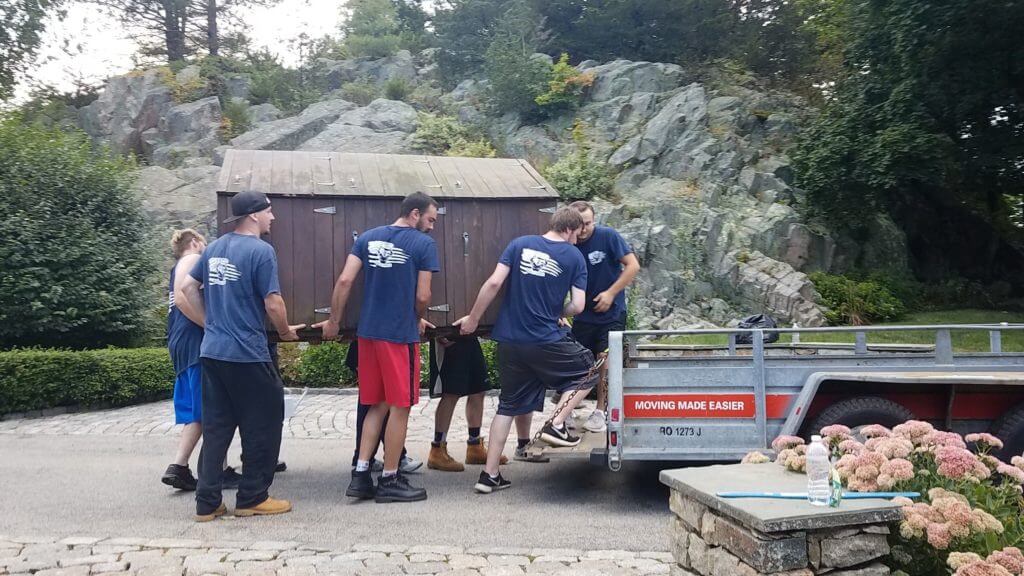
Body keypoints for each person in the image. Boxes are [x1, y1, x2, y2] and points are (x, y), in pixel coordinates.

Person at [176, 190, 304, 522]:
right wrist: (286, 332)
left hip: (213, 354)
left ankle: (207, 503)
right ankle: (252, 497)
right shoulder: (261, 251)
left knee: (217, 427)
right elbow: (273, 303)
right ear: (254, 215)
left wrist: (210, 323)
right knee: (264, 423)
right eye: (269, 212)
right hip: (248, 354)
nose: (273, 217)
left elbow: (189, 289)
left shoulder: (215, 247)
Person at [454, 206, 599, 494]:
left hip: (509, 340)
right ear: (570, 230)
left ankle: (489, 475)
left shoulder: (519, 244)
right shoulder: (574, 256)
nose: (576, 241)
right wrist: (560, 310)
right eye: (577, 234)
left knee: (507, 405)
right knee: (589, 372)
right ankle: (556, 423)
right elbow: (579, 306)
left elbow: (494, 282)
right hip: (544, 338)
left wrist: (473, 319)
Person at [315, 191, 439, 504]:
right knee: (400, 406)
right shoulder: (423, 244)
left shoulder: (367, 238)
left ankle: (360, 474)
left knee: (377, 404)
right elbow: (423, 296)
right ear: (414, 214)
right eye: (430, 219)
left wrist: (333, 321)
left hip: (368, 335)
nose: (432, 226)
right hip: (398, 336)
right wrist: (418, 318)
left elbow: (345, 281)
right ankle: (390, 479)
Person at [567, 200, 640, 432]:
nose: (584, 229)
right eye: (580, 225)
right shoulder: (568, 244)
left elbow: (633, 266)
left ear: (594, 221)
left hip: (612, 313)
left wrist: (610, 293)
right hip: (582, 315)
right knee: (577, 362)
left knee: (605, 360)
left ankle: (601, 410)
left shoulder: (608, 236)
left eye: (588, 223)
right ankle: (567, 409)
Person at [161, 229, 207, 491]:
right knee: (209, 406)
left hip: (178, 341)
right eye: (204, 242)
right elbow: (182, 296)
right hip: (194, 340)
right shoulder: (191, 261)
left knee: (195, 410)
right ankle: (213, 469)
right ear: (194, 242)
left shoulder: (176, 266)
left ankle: (180, 466)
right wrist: (209, 324)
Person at [426, 335, 507, 471]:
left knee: (478, 389)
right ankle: (437, 450)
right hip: (449, 335)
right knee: (451, 392)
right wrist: (439, 330)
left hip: (469, 335)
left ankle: (474, 446)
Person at [346, 339, 421, 473]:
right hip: (395, 335)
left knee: (376, 403)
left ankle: (362, 467)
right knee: (398, 404)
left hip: (368, 334)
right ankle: (390, 473)